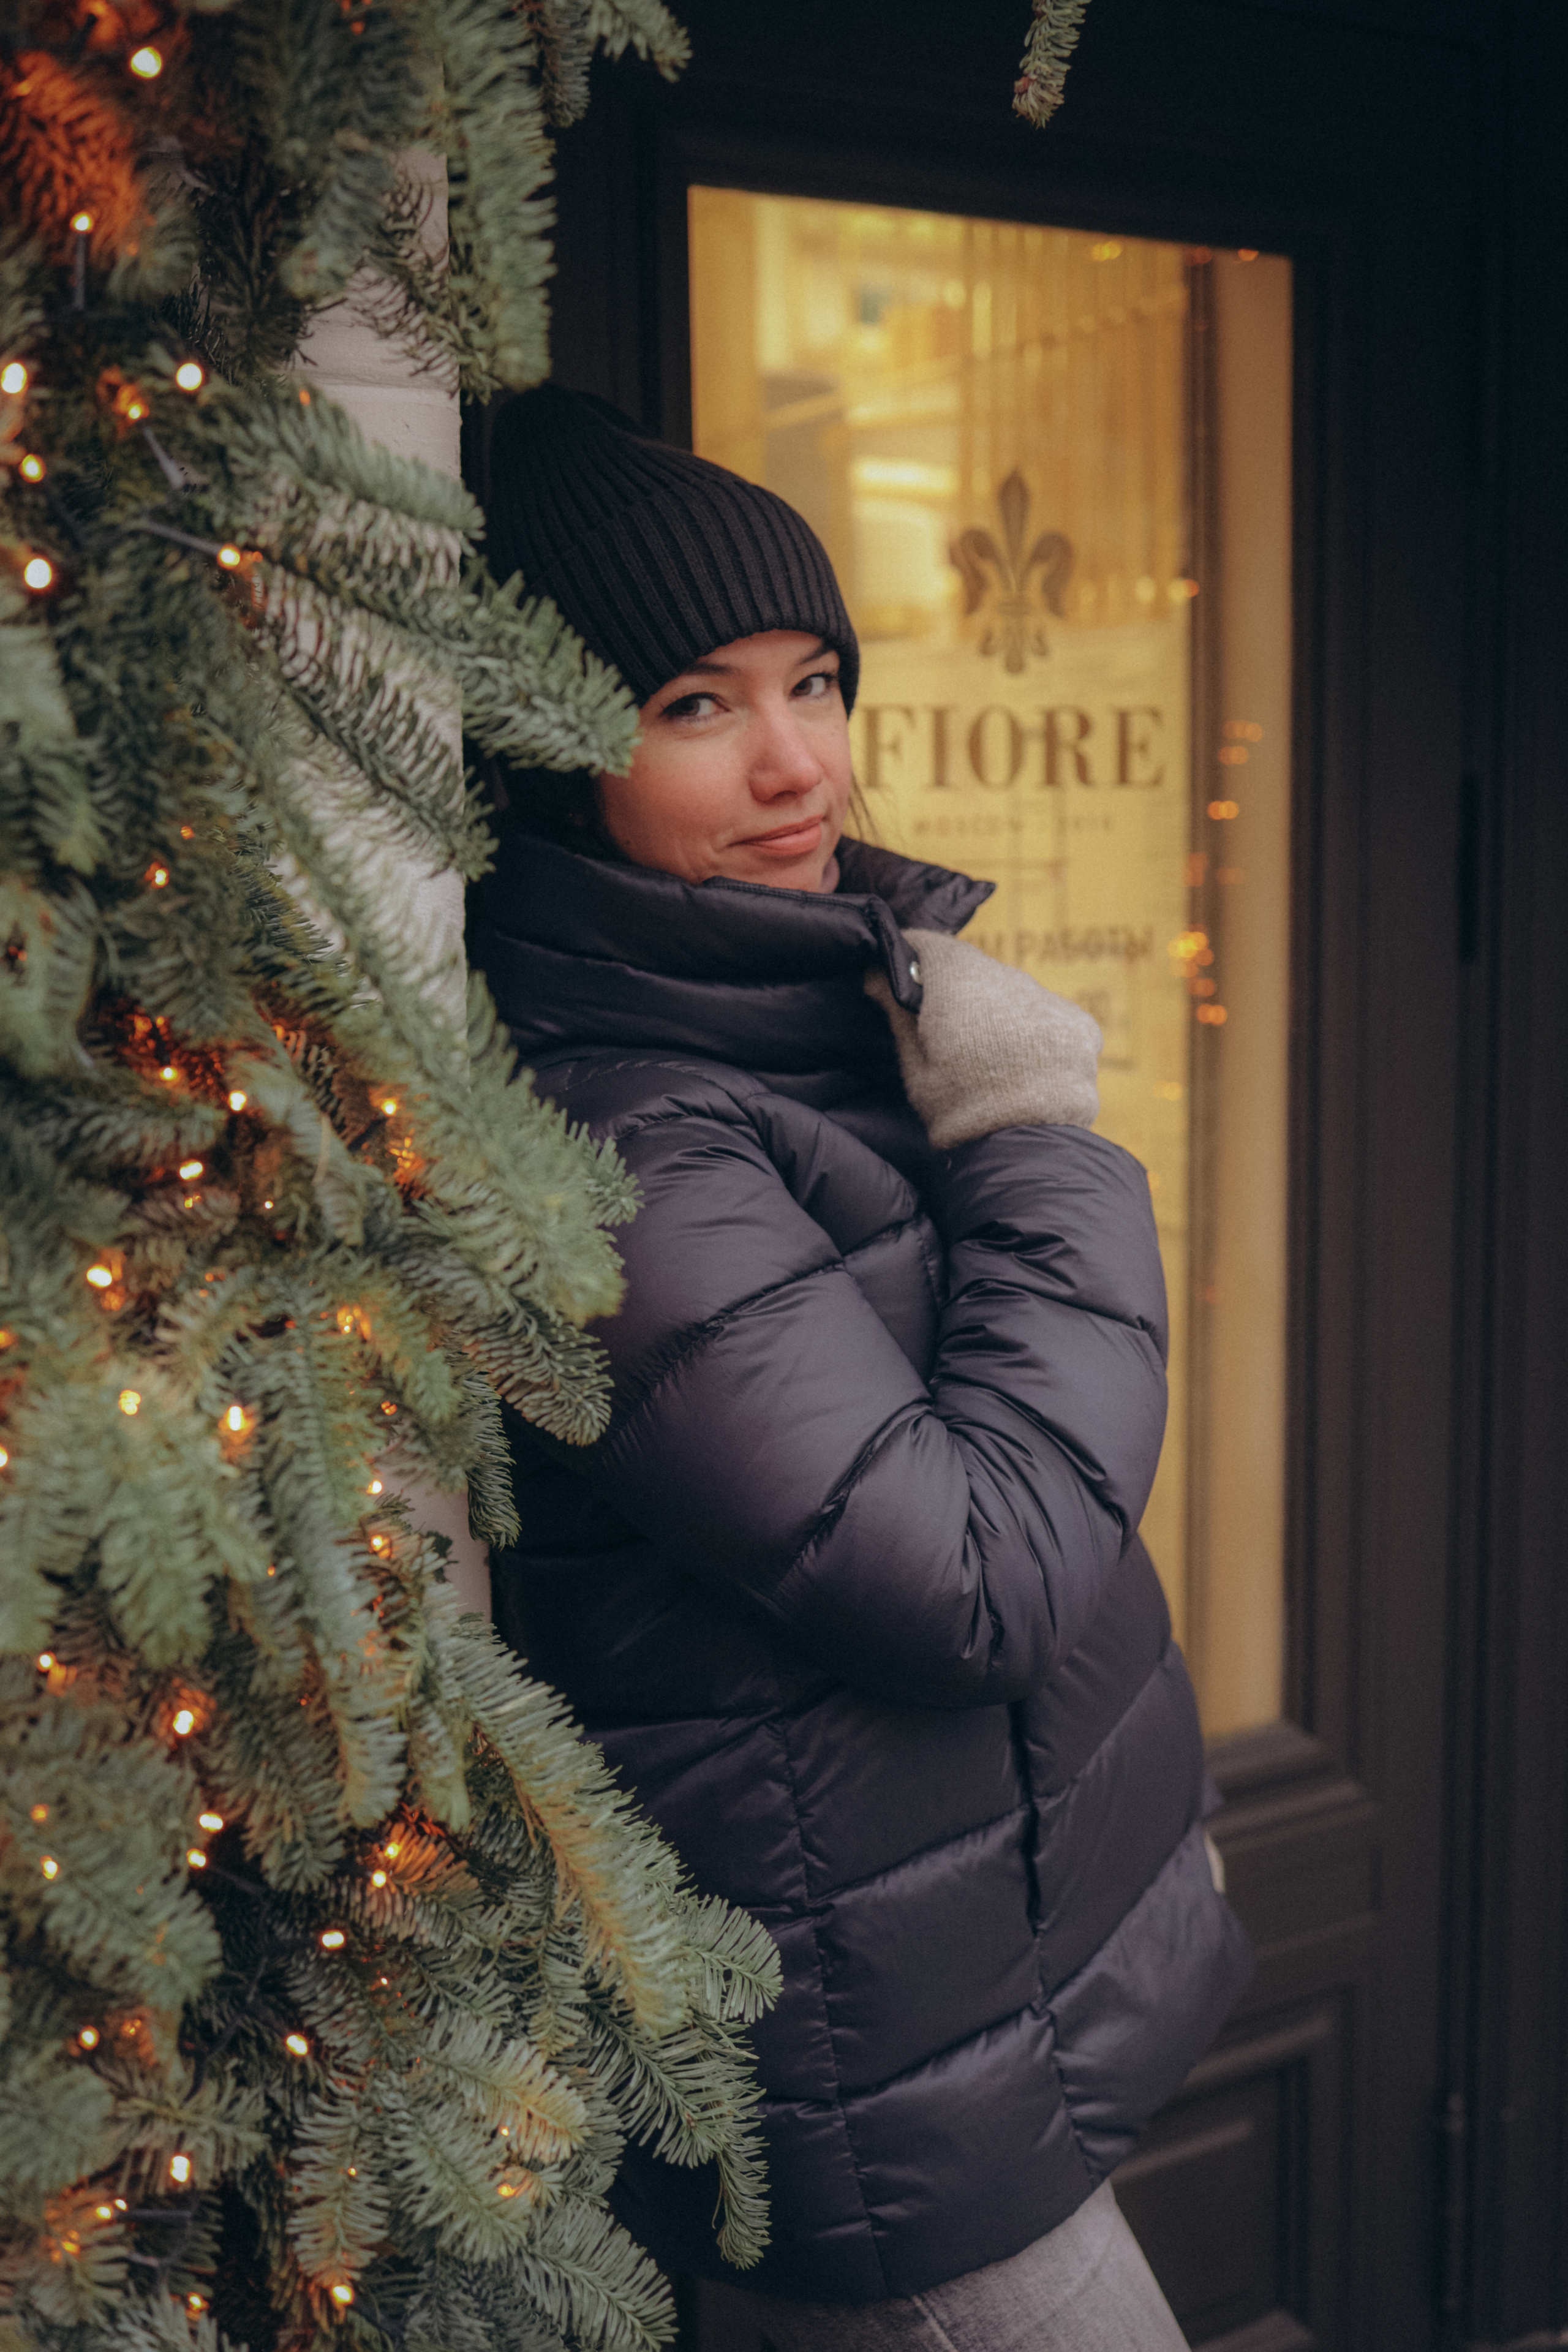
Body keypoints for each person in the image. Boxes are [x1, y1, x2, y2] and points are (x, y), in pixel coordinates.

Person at [471, 385, 1253, 2350]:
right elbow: (967, 1571)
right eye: (695, 707)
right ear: (558, 759)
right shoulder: (620, 1135)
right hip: (886, 2098)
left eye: (813, 679)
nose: (799, 763)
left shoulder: (803, 1008)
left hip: (975, 1989)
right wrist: (1039, 1138)